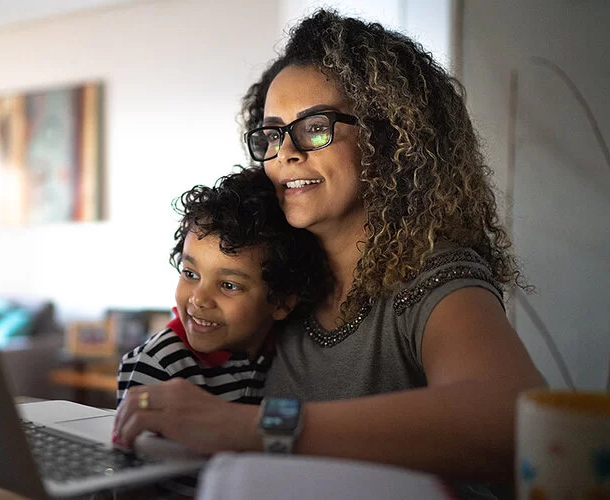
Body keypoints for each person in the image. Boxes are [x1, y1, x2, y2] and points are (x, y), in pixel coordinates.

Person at [114, 9, 545, 494]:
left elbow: (513, 418)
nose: (286, 154)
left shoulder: (434, 278)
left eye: (315, 127)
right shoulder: (282, 277)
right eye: (272, 133)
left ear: (388, 138)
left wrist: (250, 428)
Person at [116, 167, 330, 407]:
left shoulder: (285, 351)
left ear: (282, 301)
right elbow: (134, 441)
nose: (199, 299)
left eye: (228, 285)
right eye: (190, 273)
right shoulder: (160, 364)